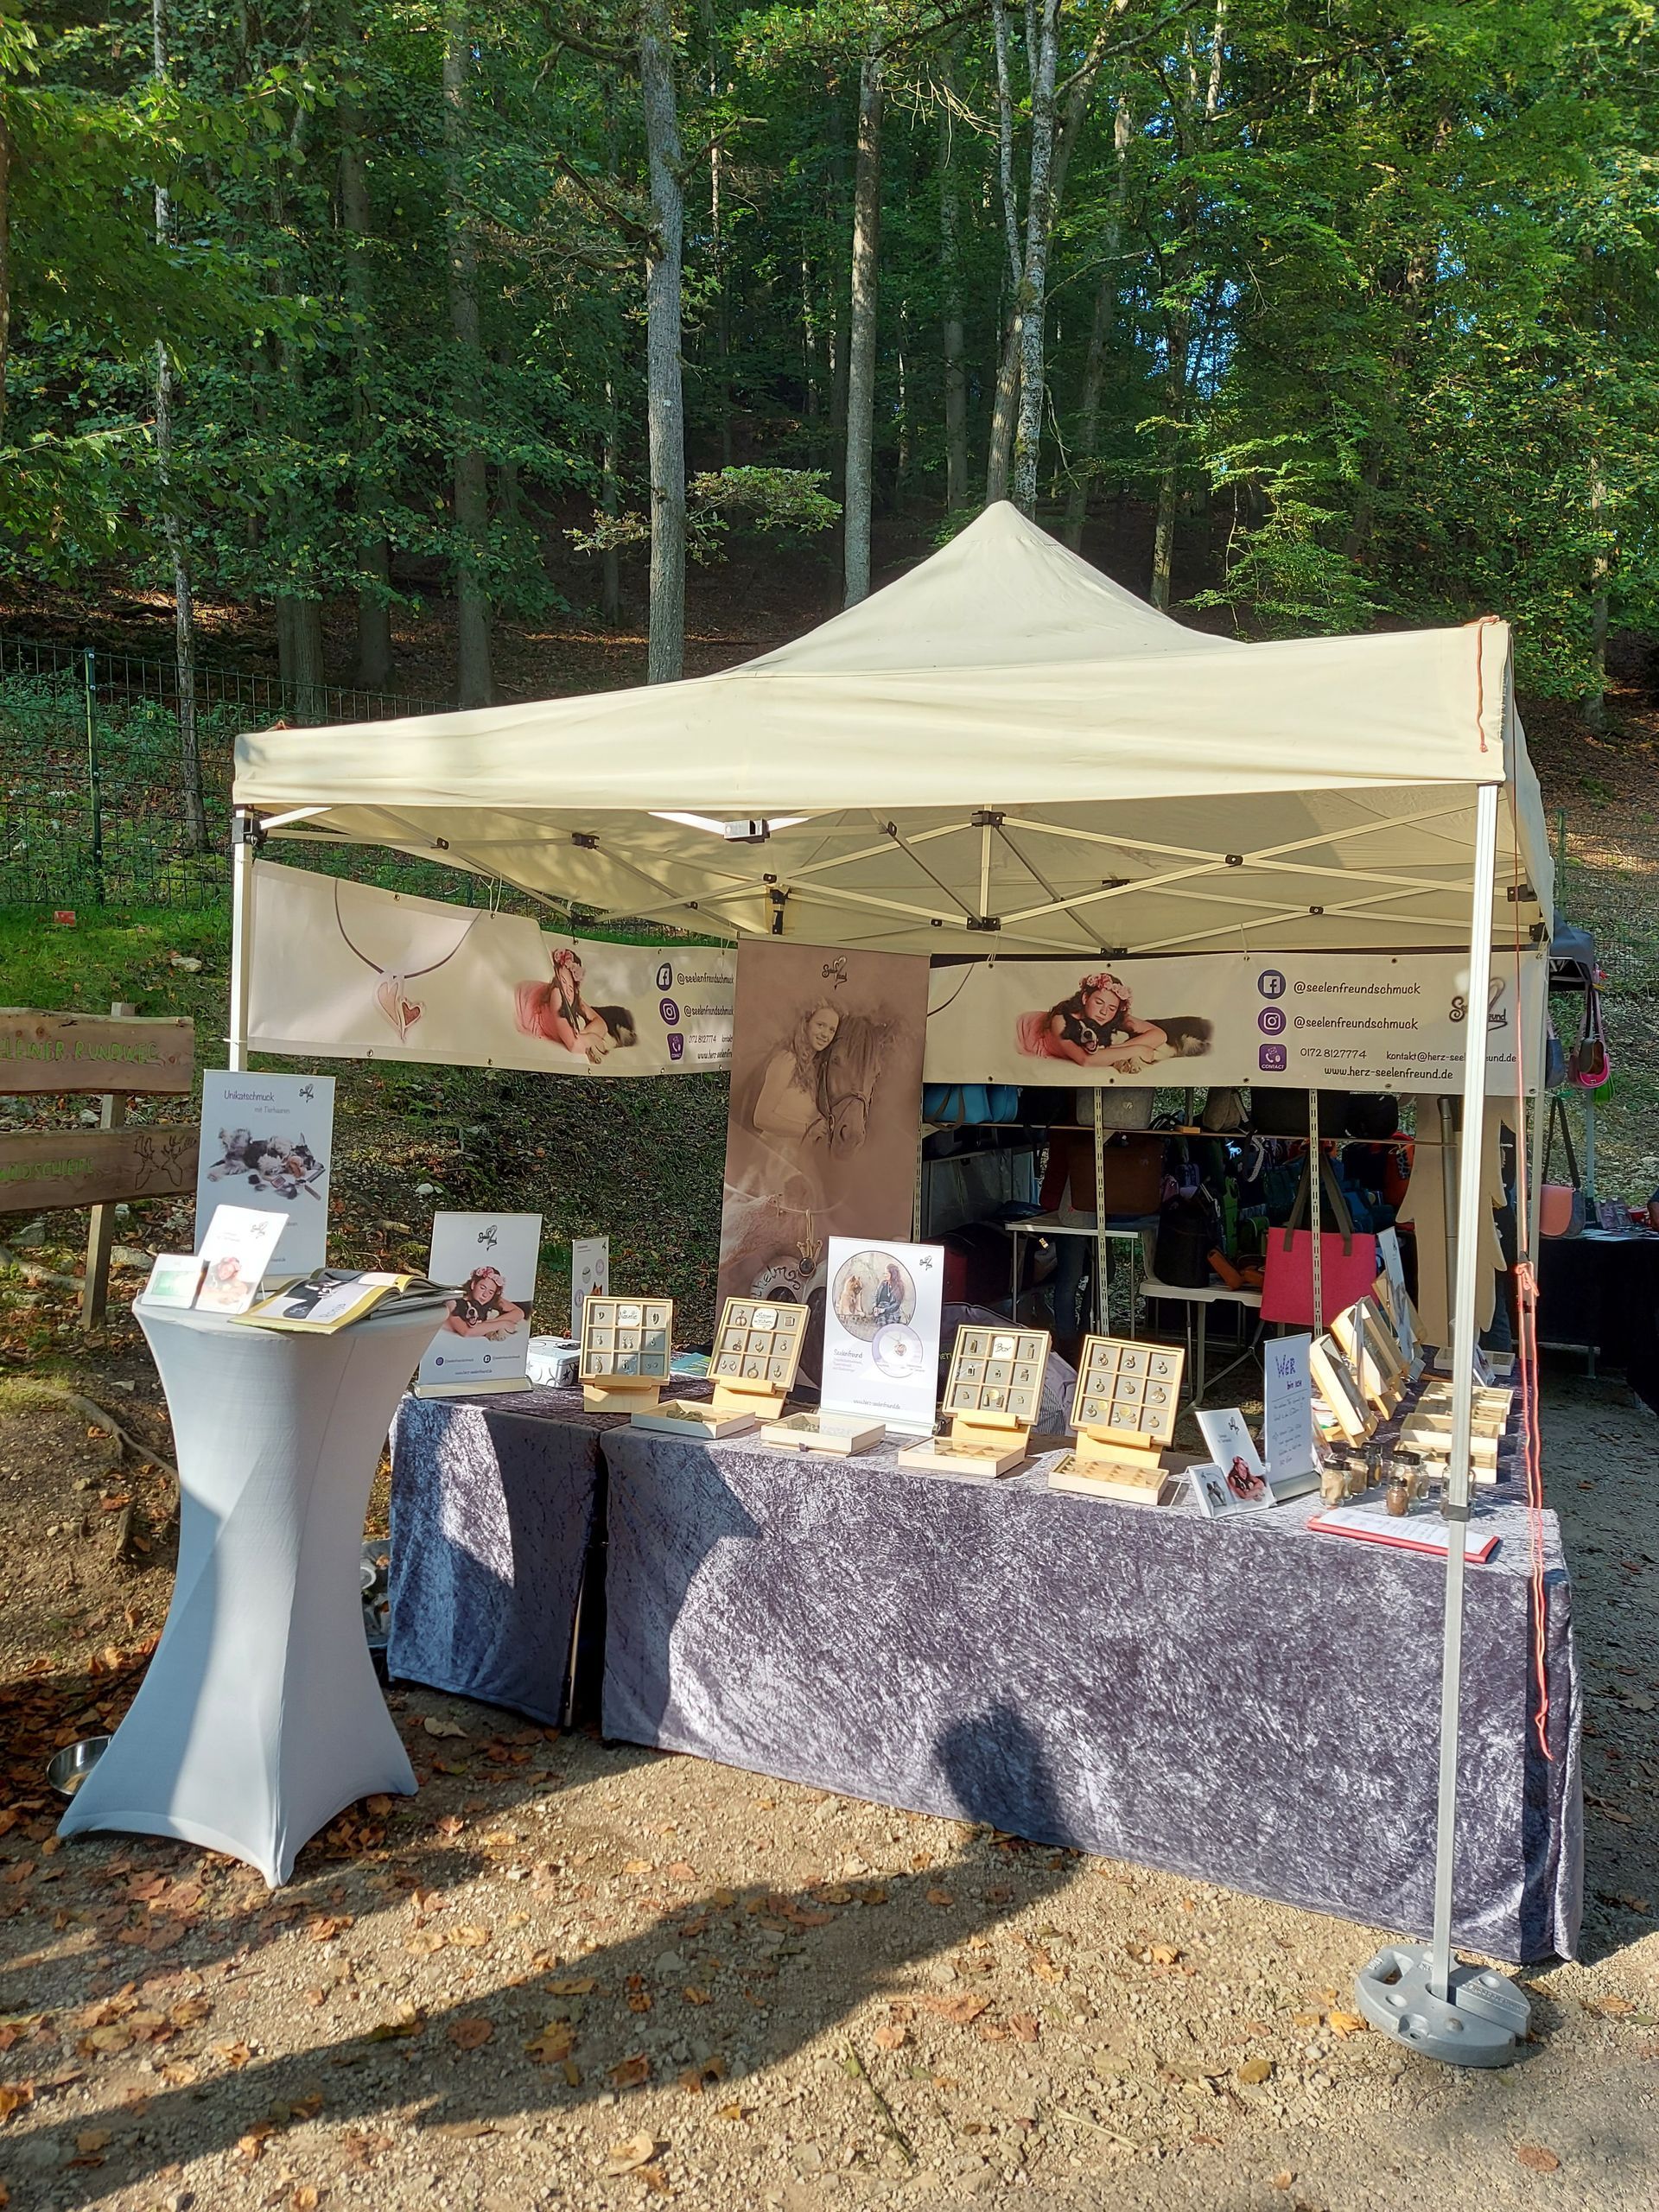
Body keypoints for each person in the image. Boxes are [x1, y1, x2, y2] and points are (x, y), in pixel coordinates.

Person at [752, 1002, 840, 1141]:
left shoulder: (812, 1069)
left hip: (797, 1157)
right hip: (772, 1155)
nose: (825, 1034)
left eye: (832, 1030)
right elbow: (761, 1118)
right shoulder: (787, 1060)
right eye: (820, 1025)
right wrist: (809, 1129)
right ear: (806, 1024)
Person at [1043, 972, 1166, 1070]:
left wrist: (1117, 1049)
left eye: (1112, 1008)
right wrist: (1138, 1050)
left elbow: (1160, 1035)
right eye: (1099, 1003)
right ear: (1086, 998)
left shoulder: (1110, 1016)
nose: (1104, 1012)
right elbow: (1086, 1060)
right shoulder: (1061, 1020)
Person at [442, 1265, 525, 1338]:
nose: (485, 1295)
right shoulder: (454, 1302)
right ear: (473, 1285)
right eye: (482, 1288)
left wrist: (488, 1323)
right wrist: (502, 1324)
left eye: (491, 1292)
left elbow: (519, 1313)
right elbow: (466, 1332)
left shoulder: (490, 1298)